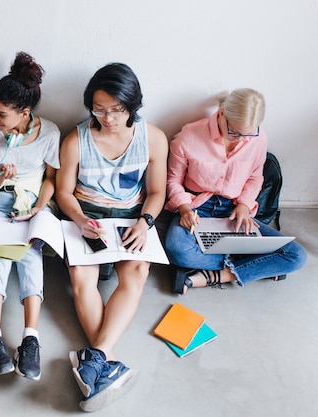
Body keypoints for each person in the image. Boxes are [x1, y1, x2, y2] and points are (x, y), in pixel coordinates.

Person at [55, 63, 168, 412]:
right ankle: (106, 360)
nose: (108, 118)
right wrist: (80, 219)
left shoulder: (154, 138)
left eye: (117, 110)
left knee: (137, 273)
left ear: (132, 106)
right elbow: (64, 192)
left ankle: (96, 359)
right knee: (80, 277)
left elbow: (157, 191)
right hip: (87, 215)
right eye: (99, 109)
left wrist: (145, 222)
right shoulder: (76, 140)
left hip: (132, 216)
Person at [164, 88, 307, 294]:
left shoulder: (259, 138)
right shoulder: (189, 135)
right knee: (177, 250)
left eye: (249, 133)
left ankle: (211, 275)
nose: (241, 139)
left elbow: (255, 177)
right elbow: (173, 179)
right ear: (222, 113)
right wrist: (184, 209)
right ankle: (258, 266)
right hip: (197, 207)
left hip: (233, 211)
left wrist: (243, 205)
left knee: (296, 255)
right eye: (235, 132)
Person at [0, 52, 60, 381]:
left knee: (30, 254)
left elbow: (51, 179)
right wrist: (1, 176)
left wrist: (40, 207)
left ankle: (30, 338)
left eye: (2, 114)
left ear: (25, 113)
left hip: (33, 204)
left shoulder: (50, 133)